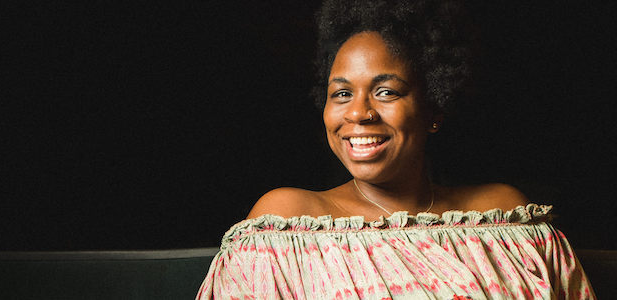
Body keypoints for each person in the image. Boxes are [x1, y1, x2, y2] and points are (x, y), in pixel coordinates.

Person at [197, 0, 594, 299]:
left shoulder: (503, 220)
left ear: (433, 108)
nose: (359, 113)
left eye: (386, 91)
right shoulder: (284, 223)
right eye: (342, 93)